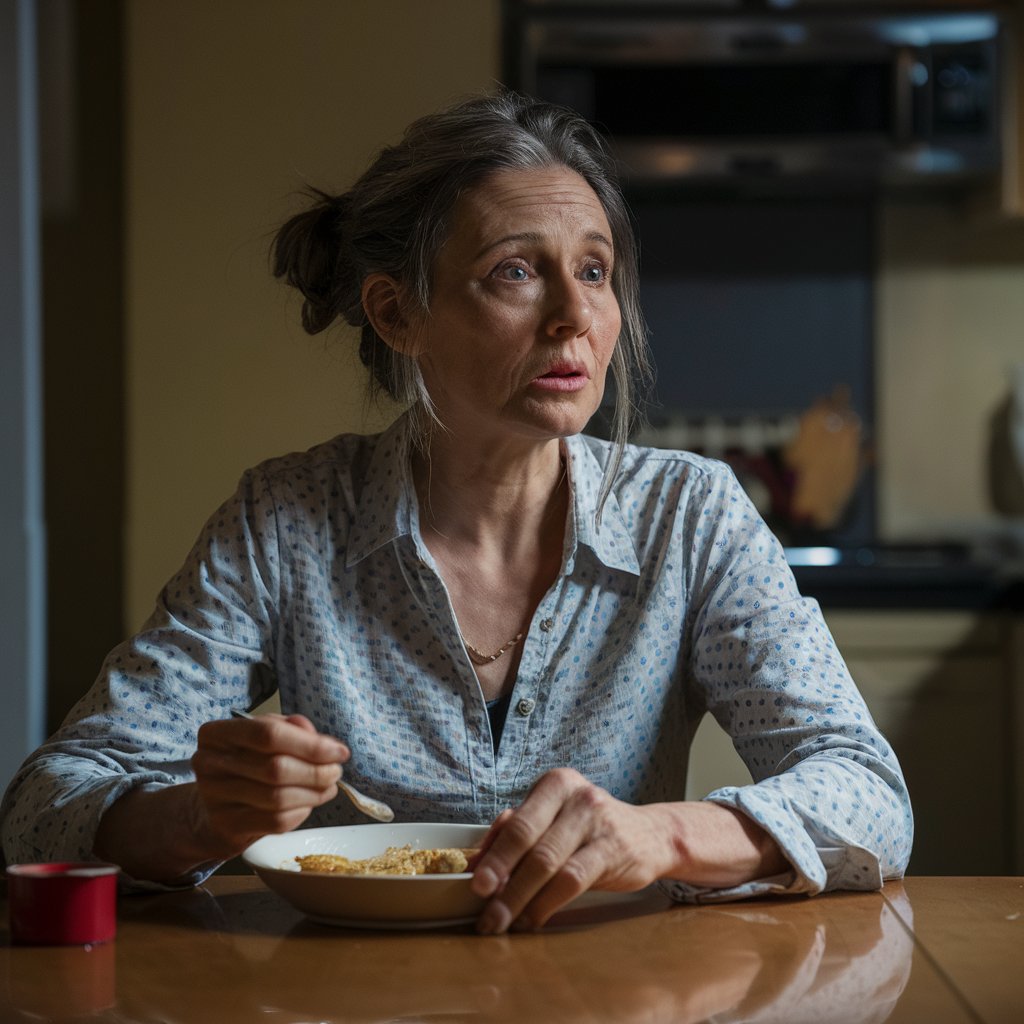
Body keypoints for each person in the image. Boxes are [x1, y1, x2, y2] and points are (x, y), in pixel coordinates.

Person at [1, 91, 912, 935]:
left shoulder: (689, 514)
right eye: (516, 271)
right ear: (399, 312)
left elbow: (869, 794)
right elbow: (42, 808)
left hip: (617, 995)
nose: (574, 317)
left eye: (594, 271)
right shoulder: (287, 519)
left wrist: (660, 838)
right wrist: (199, 817)